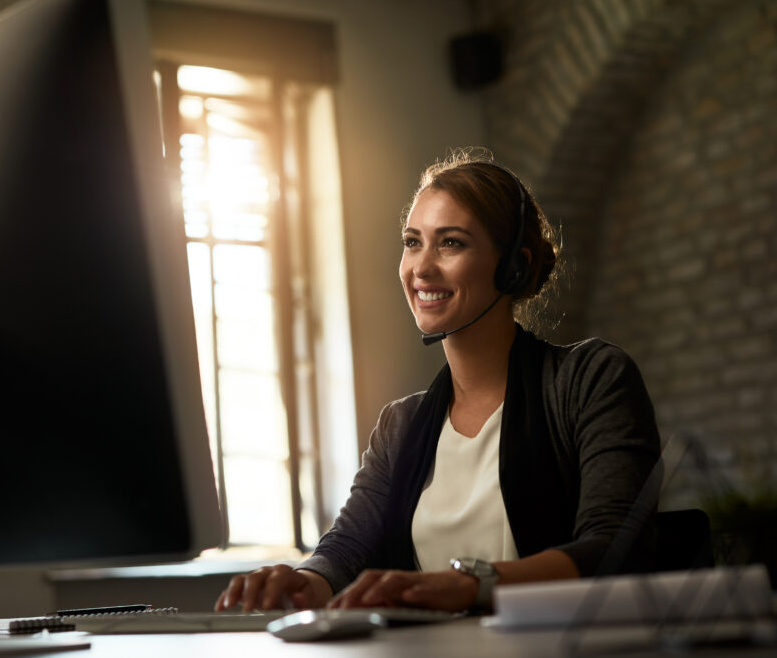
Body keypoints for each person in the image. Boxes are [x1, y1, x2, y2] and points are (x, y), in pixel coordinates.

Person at [215, 149, 661, 614]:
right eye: (412, 242)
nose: (421, 268)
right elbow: (346, 551)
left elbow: (616, 547)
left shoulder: (590, 379)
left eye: (450, 243)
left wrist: (472, 584)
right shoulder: (400, 425)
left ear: (512, 265)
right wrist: (301, 582)